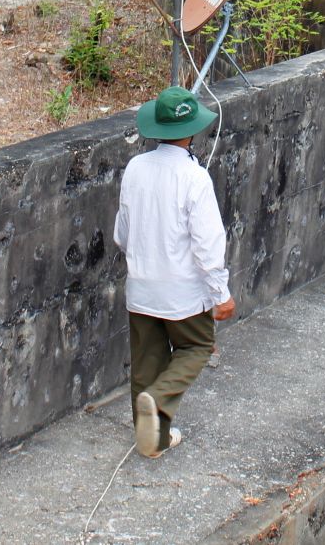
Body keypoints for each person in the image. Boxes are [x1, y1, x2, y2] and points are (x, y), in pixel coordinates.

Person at [114, 86, 236, 458]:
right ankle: (160, 398)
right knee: (196, 346)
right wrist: (221, 292)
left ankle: (152, 439)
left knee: (147, 361)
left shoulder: (135, 168)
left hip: (141, 286)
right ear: (192, 130)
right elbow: (208, 241)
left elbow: (122, 231)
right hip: (183, 291)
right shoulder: (194, 177)